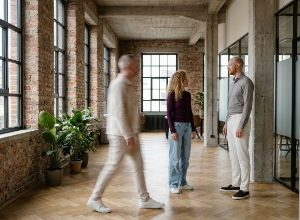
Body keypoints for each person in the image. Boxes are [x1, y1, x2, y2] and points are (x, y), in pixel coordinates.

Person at [87, 54, 165, 213]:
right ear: (129, 67)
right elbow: (119, 113)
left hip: (130, 135)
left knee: (138, 166)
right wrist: (128, 135)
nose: (139, 68)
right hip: (120, 135)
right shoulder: (118, 85)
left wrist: (133, 134)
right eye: (137, 65)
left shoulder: (128, 84)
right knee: (113, 166)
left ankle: (144, 199)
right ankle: (95, 198)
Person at [220, 56, 254, 200]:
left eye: (229, 65)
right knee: (233, 154)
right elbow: (230, 105)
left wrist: (241, 125)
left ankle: (245, 189)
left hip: (240, 120)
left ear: (238, 65)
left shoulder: (247, 82)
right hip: (231, 120)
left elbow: (247, 106)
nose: (228, 67)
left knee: (242, 155)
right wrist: (227, 123)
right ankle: (235, 183)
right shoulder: (233, 82)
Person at [166, 70, 196, 194]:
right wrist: (172, 130)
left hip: (187, 127)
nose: (187, 80)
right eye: (185, 79)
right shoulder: (171, 95)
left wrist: (193, 128)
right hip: (177, 128)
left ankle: (182, 182)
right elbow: (169, 114)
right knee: (175, 158)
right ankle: (173, 184)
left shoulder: (187, 95)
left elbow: (190, 112)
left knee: (185, 158)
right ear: (180, 80)